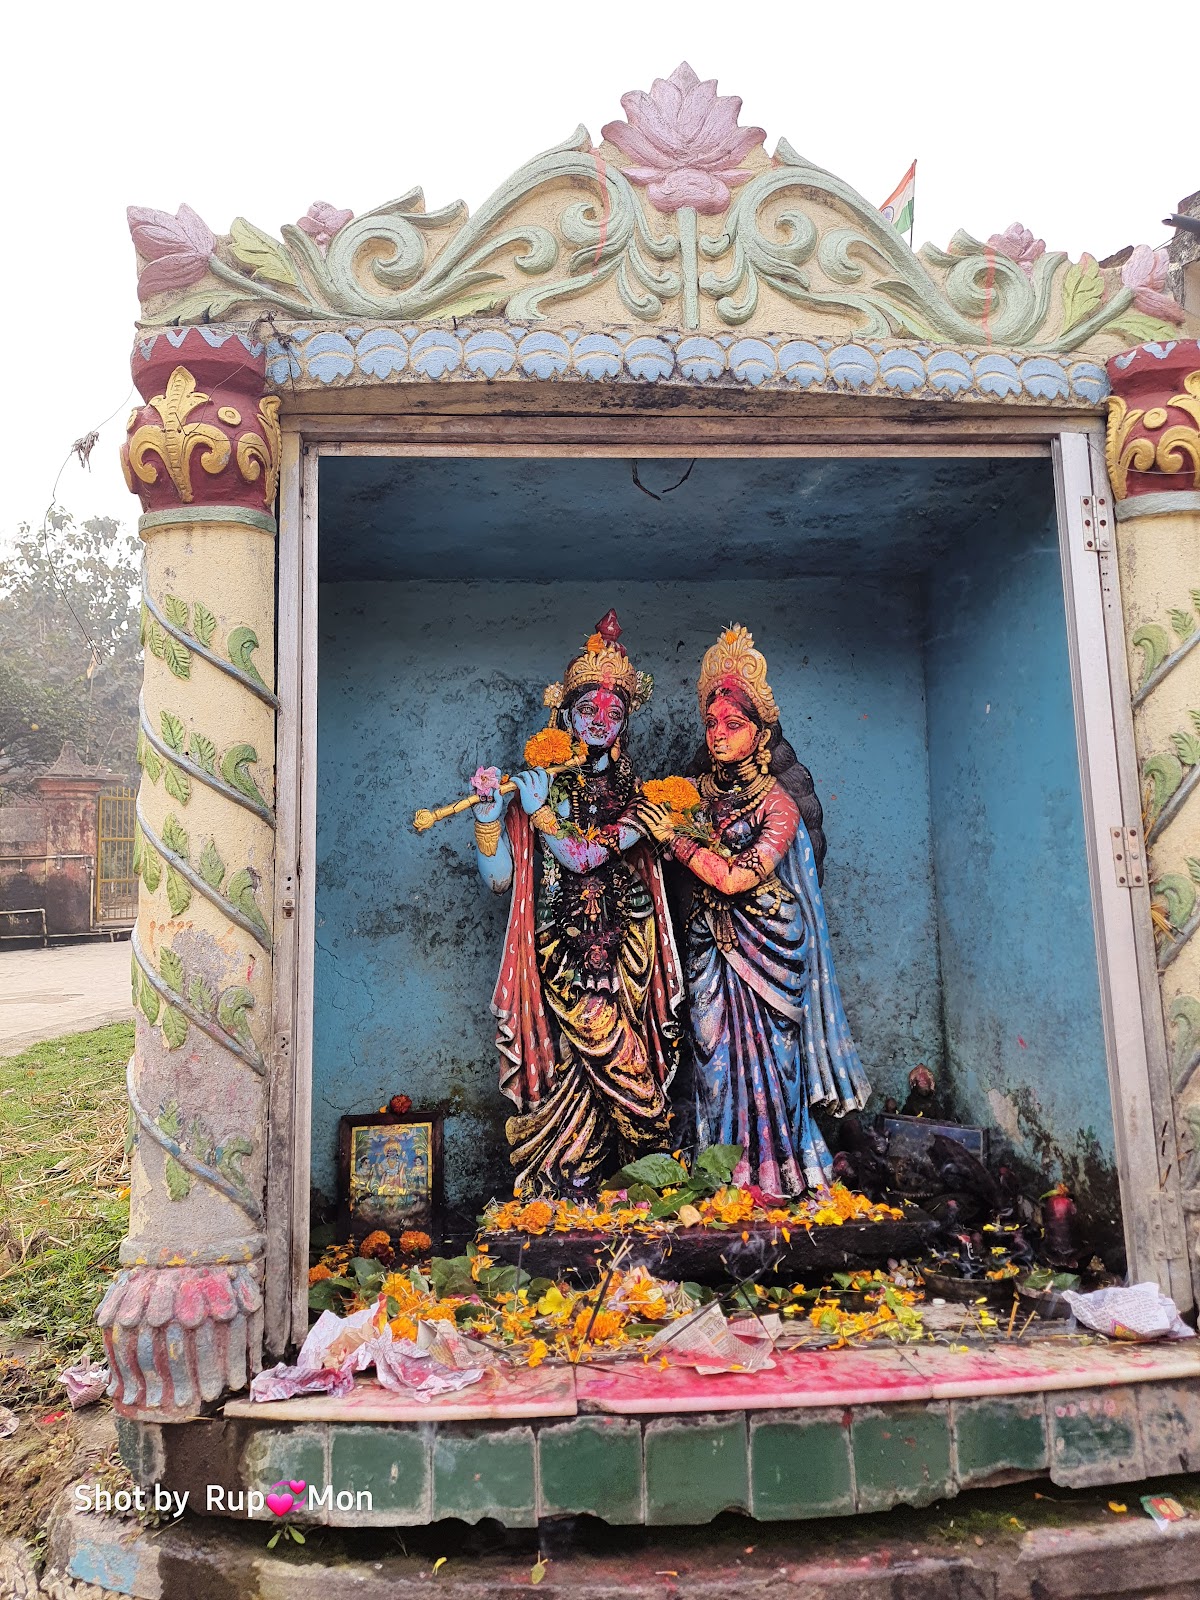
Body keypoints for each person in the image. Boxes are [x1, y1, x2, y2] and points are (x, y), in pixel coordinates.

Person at [636, 624, 869, 1196]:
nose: (718, 735)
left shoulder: (780, 804)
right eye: (712, 723)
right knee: (713, 1062)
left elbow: (738, 877)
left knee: (772, 1069)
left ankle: (778, 1173)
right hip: (707, 949)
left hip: (768, 948)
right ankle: (724, 1178)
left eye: (734, 725)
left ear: (761, 735)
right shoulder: (689, 795)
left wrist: (677, 842)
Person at [472, 611, 683, 1196]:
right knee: (577, 1060)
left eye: (614, 714)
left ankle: (650, 1167)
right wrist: (490, 819)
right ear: (566, 714)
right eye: (589, 711)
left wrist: (541, 816)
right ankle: (577, 1171)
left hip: (627, 946)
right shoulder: (540, 787)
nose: (601, 723)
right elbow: (498, 880)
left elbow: (584, 858)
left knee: (622, 1053)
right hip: (560, 949)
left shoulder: (641, 801)